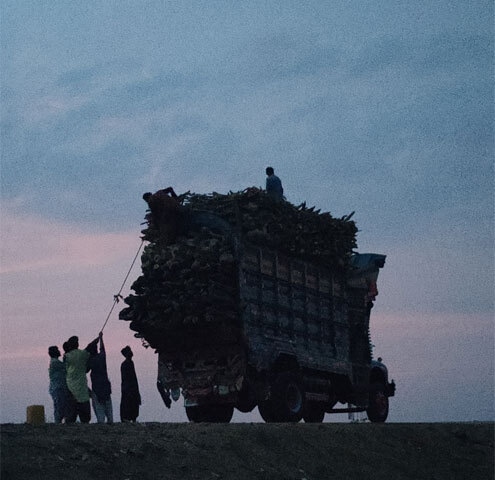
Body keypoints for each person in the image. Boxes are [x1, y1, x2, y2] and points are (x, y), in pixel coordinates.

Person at [64, 335, 97, 423]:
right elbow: (90, 347)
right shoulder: (83, 354)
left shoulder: (66, 356)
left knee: (70, 417)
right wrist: (98, 338)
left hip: (70, 386)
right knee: (85, 417)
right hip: (82, 389)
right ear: (77, 344)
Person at [87, 332, 113, 424]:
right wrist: (100, 338)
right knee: (109, 412)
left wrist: (97, 339)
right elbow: (102, 349)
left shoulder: (90, 361)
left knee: (100, 413)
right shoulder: (102, 357)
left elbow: (85, 370)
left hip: (97, 390)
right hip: (106, 388)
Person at [48, 346, 70, 423]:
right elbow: (66, 367)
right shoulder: (55, 362)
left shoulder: (55, 362)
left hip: (58, 388)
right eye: (57, 350)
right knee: (59, 406)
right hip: (58, 388)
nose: (59, 351)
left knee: (61, 406)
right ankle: (57, 422)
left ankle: (58, 421)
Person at [120, 346, 141, 422]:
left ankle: (132, 418)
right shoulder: (125, 364)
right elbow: (126, 379)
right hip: (128, 389)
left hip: (132, 388)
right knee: (128, 405)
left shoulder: (130, 363)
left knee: (133, 406)